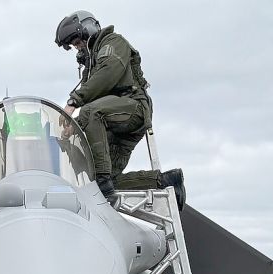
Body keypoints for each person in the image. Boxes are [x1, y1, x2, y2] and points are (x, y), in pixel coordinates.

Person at [55, 10, 185, 207]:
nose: (77, 47)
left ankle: (104, 185)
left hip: (133, 107)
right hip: (112, 124)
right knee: (102, 183)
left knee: (91, 113)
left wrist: (73, 103)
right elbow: (93, 105)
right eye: (74, 45)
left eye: (77, 41)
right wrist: (74, 127)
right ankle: (166, 181)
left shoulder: (114, 43)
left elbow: (107, 75)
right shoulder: (91, 66)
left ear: (88, 29)